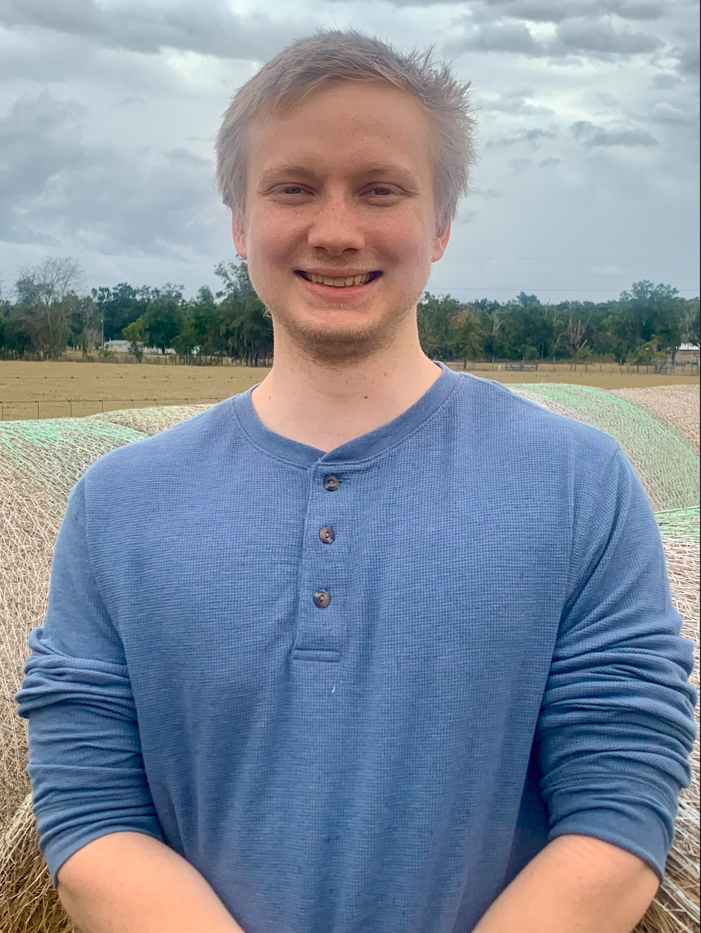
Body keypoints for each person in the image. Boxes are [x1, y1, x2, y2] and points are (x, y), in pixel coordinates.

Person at [16, 30, 697, 933]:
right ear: (238, 222)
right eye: (292, 187)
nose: (335, 231)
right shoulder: (117, 503)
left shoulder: (579, 483)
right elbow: (91, 810)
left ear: (440, 224)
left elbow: (618, 803)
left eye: (380, 189)